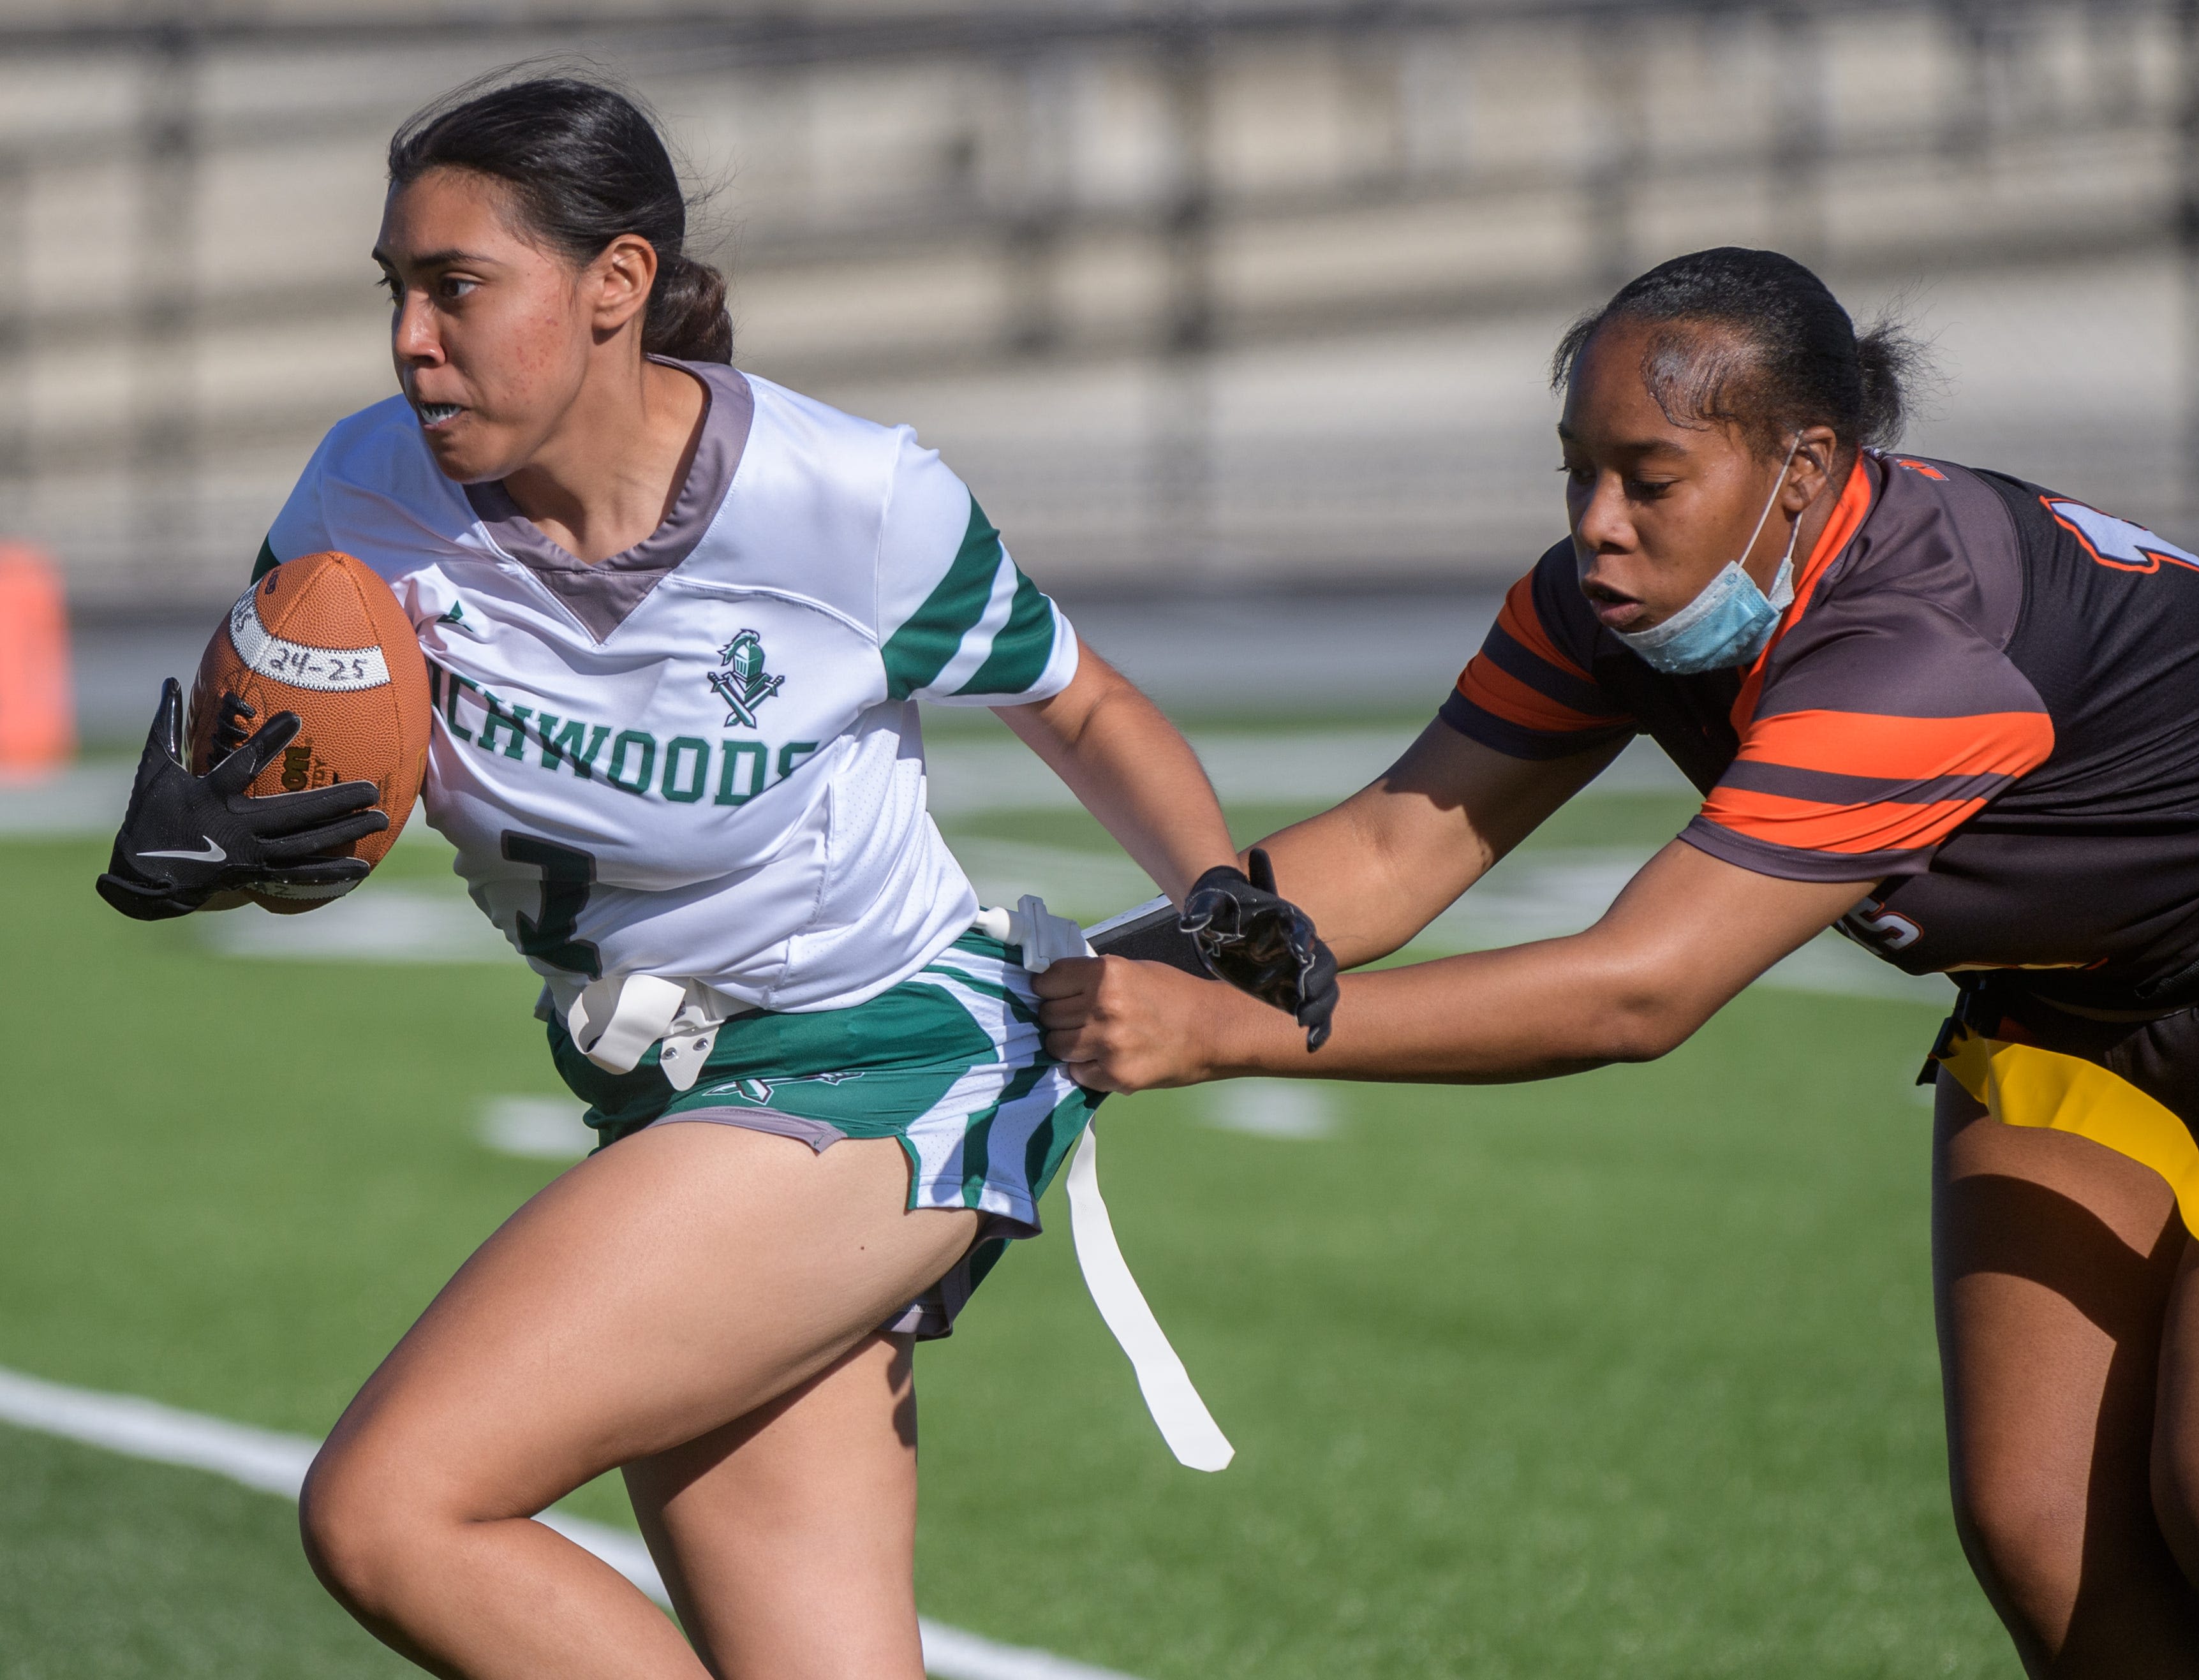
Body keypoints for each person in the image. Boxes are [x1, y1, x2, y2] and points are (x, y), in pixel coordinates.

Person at [1044, 246, 2199, 1677]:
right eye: (1575, 470)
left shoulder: (1919, 647)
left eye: (1647, 477)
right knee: (2043, 1538)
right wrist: (1061, 980)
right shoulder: (1603, 599)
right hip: (2080, 995)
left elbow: (1639, 989)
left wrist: (1218, 1035)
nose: (1596, 522)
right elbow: (1385, 855)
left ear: (1803, 469)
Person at [94, 73, 1327, 1680]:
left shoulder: (853, 500)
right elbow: (296, 797)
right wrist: (197, 858)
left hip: (885, 1060)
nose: (409, 338)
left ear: (613, 285)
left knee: (394, 1510)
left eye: (456, 286)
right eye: (395, 290)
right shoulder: (358, 492)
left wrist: (1220, 889)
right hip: (665, 1096)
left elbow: (1078, 700)